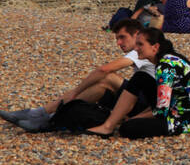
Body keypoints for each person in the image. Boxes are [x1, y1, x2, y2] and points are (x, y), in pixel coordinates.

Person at [1, 18, 153, 131]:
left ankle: (40, 114)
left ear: (137, 35)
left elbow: (104, 69)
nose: (118, 43)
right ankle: (50, 118)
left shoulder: (142, 51)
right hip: (138, 99)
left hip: (147, 107)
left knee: (107, 78)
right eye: (117, 39)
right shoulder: (141, 51)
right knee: (100, 87)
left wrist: (76, 91)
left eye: (122, 37)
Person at [87, 28, 190, 138]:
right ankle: (108, 125)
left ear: (155, 47)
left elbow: (161, 110)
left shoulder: (165, 66)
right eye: (136, 44)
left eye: (140, 44)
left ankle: (110, 125)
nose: (136, 48)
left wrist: (134, 119)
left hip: (184, 120)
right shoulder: (170, 58)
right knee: (140, 77)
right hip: (183, 110)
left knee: (126, 129)